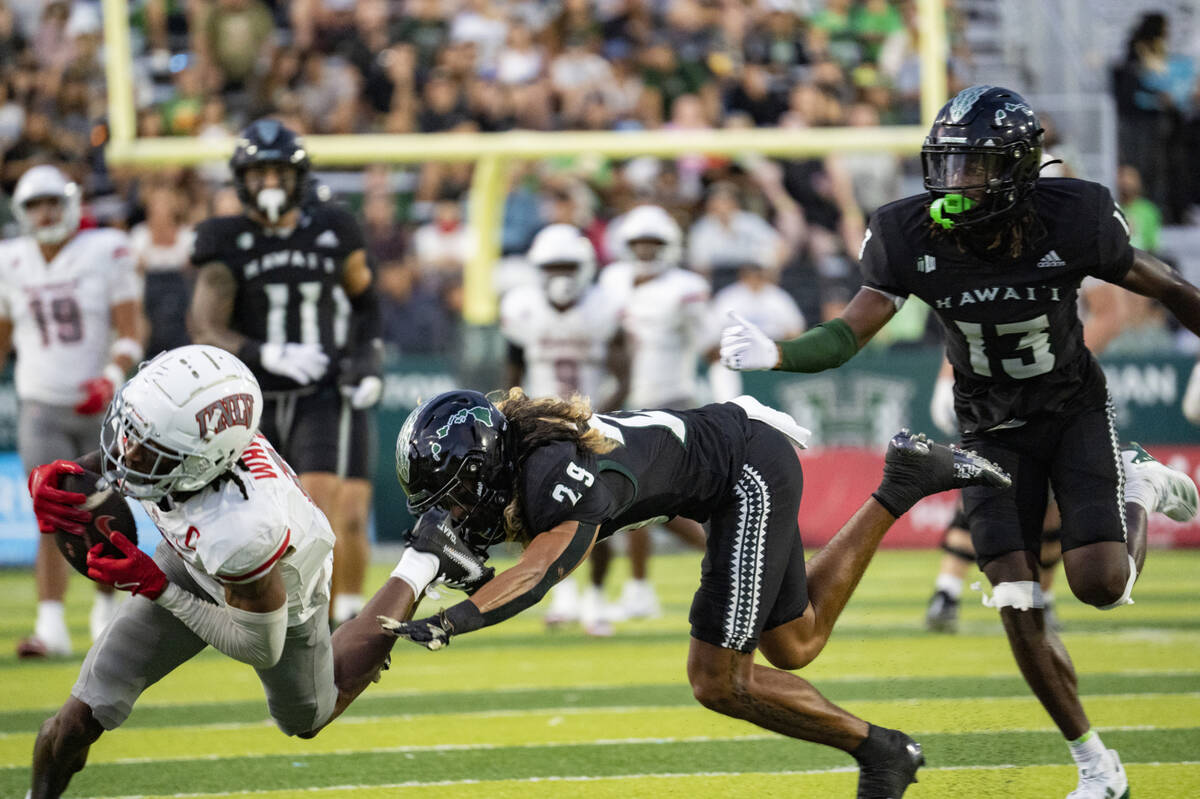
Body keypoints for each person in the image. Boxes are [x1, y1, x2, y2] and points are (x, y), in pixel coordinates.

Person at [719, 85, 1200, 799]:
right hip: (987, 423)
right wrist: (783, 354)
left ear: (1016, 167)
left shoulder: (1074, 215)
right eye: (947, 165)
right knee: (1016, 596)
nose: (956, 182)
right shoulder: (910, 233)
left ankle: (1139, 484)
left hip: (1069, 407)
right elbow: (853, 329)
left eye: (974, 167)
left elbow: (1165, 284)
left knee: (1101, 585)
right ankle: (1097, 765)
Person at [384, 388, 1011, 799]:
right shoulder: (521, 454)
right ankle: (904, 482)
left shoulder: (554, 470)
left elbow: (543, 570)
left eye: (461, 495)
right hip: (732, 460)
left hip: (744, 473)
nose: (461, 513)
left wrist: (455, 619)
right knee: (795, 642)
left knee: (719, 680)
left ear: (485, 466)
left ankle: (882, 752)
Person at [25, 345, 487, 799]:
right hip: (189, 560)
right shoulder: (182, 444)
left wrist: (158, 587)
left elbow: (256, 647)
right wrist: (71, 476)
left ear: (197, 464)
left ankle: (421, 560)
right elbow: (136, 445)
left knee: (306, 719)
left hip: (283, 582)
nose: (123, 451)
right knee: (75, 720)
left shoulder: (243, 528)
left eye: (144, 448)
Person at [188, 119, 383, 627]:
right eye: (258, 173)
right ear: (240, 179)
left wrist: (365, 362)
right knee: (253, 519)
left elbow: (366, 302)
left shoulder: (333, 228)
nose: (269, 183)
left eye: (278, 172)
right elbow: (204, 325)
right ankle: (266, 617)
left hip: (321, 390)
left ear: (298, 176)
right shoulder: (224, 238)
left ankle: (330, 617)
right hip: (251, 398)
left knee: (321, 511)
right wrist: (264, 352)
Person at [1, 164, 146, 658]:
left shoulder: (106, 250)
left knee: (100, 510)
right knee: (50, 512)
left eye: (51, 203)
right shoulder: (10, 259)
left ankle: (106, 609)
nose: (44, 213)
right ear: (23, 212)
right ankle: (51, 625)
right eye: (34, 205)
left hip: (99, 404)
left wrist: (110, 376)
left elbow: (130, 331)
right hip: (40, 402)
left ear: (68, 204)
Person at [498, 223, 631, 636]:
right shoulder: (522, 308)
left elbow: (624, 373)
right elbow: (513, 370)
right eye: (552, 266)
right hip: (541, 429)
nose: (561, 276)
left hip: (593, 421)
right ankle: (564, 594)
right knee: (541, 515)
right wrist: (521, 415)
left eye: (568, 266)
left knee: (603, 513)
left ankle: (594, 598)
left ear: (586, 267)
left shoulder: (603, 307)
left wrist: (597, 416)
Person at [598, 204, 711, 621]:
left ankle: (724, 557)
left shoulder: (686, 288)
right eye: (639, 242)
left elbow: (710, 346)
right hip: (626, 407)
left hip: (672, 405)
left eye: (653, 243)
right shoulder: (611, 282)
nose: (645, 251)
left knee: (649, 502)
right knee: (637, 503)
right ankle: (640, 588)